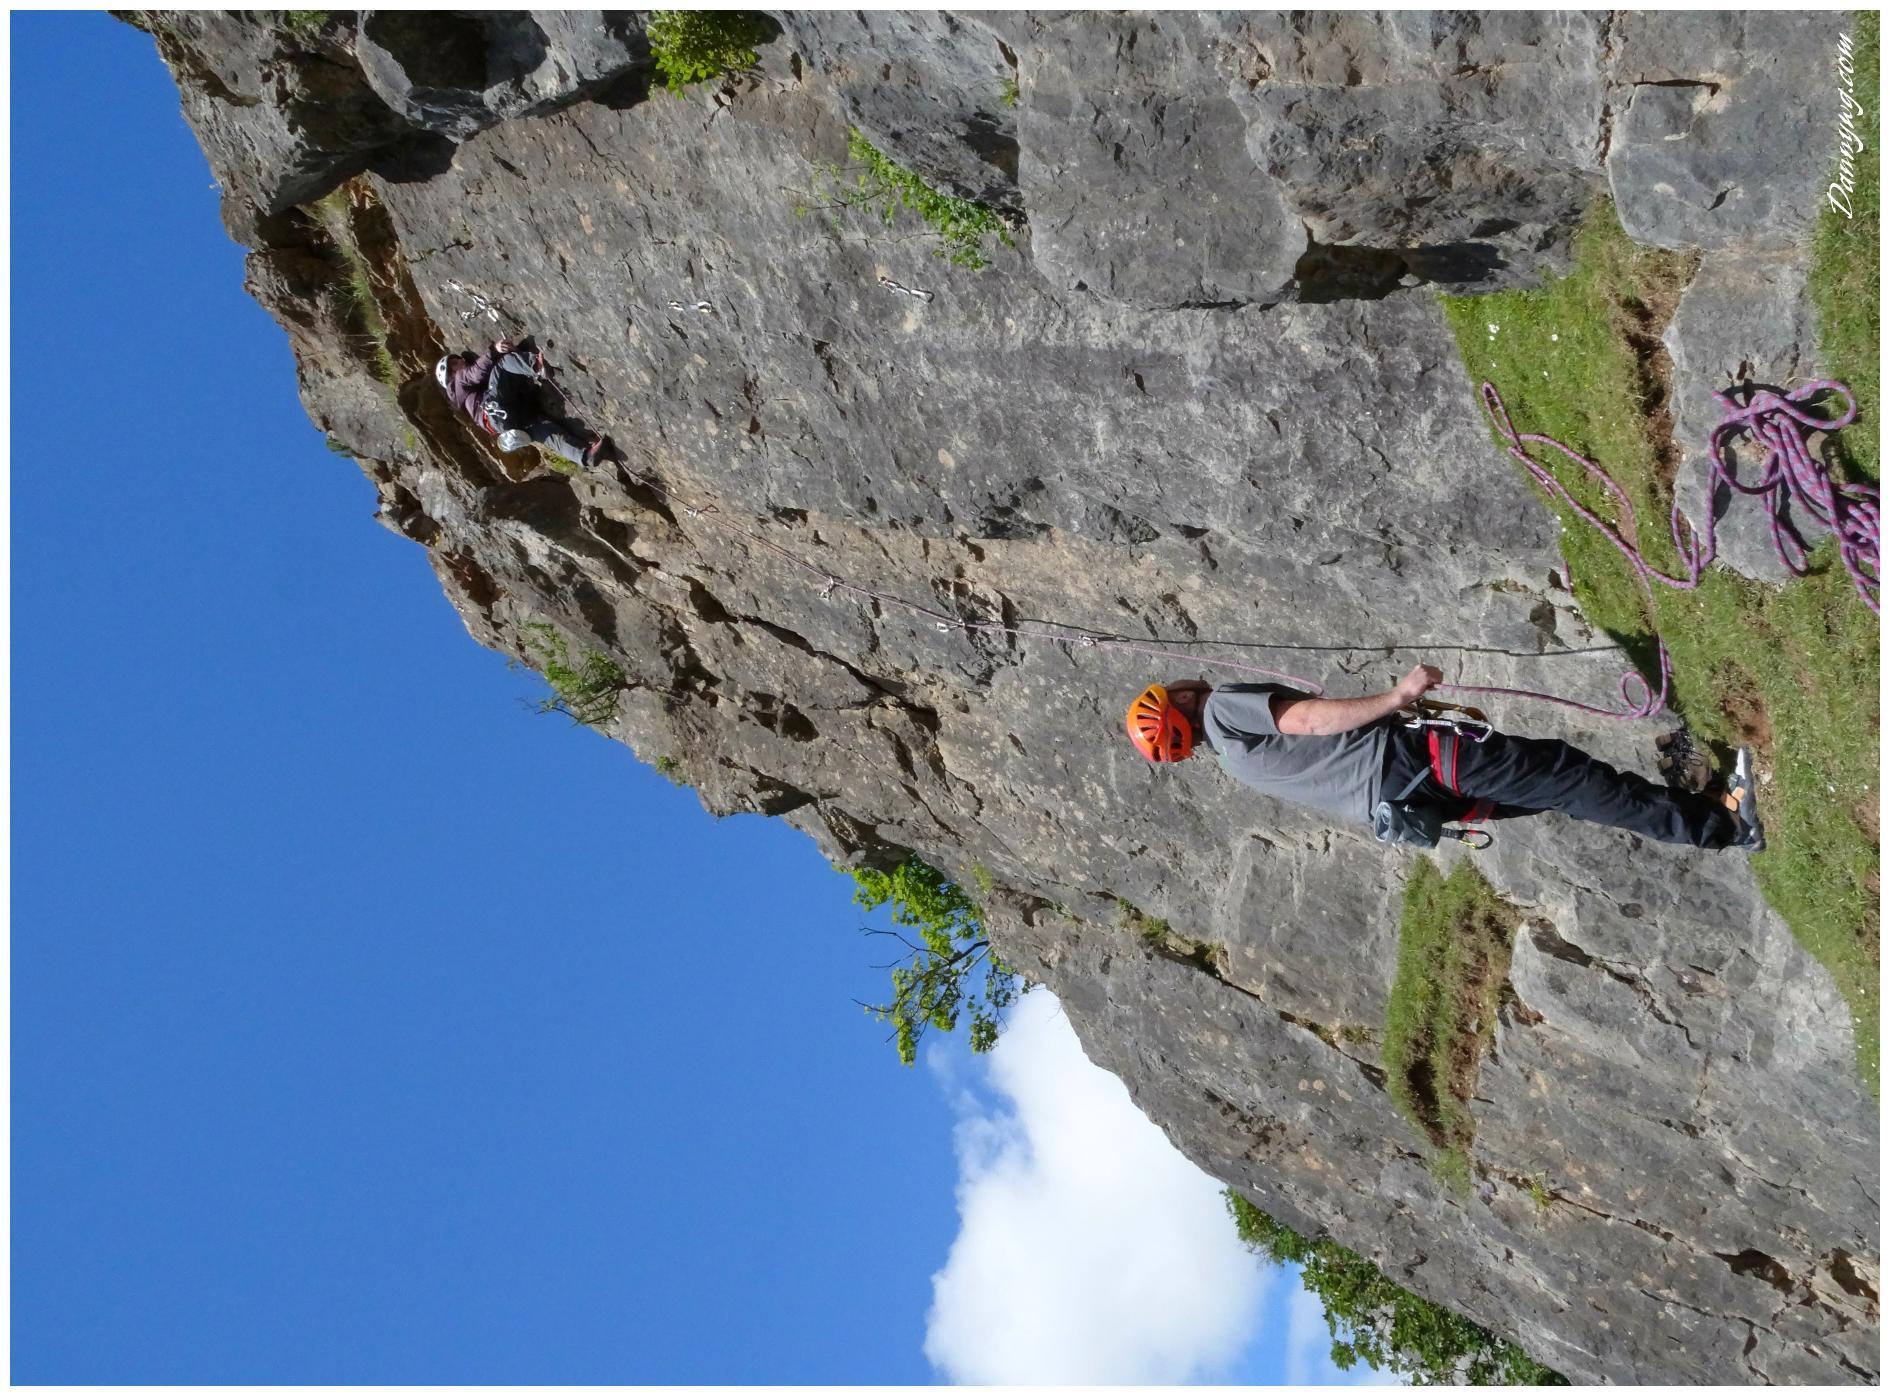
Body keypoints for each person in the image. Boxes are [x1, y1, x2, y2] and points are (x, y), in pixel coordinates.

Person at [1124, 665, 1763, 852]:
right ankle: (1727, 827)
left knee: (1561, 788)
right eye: (1168, 688)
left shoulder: (1236, 762)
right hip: (1410, 761)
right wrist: (1397, 697)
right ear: (1178, 704)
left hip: (1411, 805)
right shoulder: (1223, 709)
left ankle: (1703, 810)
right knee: (1569, 779)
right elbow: (1312, 718)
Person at [436, 336, 609, 467]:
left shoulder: (472, 396)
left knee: (546, 433)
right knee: (502, 366)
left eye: (457, 359)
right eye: (454, 363)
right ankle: (536, 367)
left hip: (507, 423)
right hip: (495, 411)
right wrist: (494, 351)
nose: (461, 360)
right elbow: (475, 373)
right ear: (450, 377)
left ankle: (585, 456)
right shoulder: (458, 382)